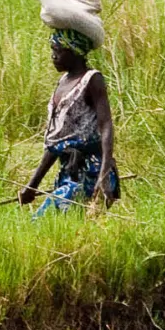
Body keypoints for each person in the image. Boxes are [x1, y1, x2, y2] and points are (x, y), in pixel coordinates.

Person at [19, 26, 120, 213]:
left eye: (58, 50)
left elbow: (106, 126)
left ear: (75, 51)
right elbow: (56, 143)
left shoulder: (92, 80)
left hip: (92, 171)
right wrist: (32, 185)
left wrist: (104, 176)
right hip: (69, 172)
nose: (53, 56)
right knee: (64, 228)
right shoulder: (63, 82)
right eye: (52, 50)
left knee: (46, 221)